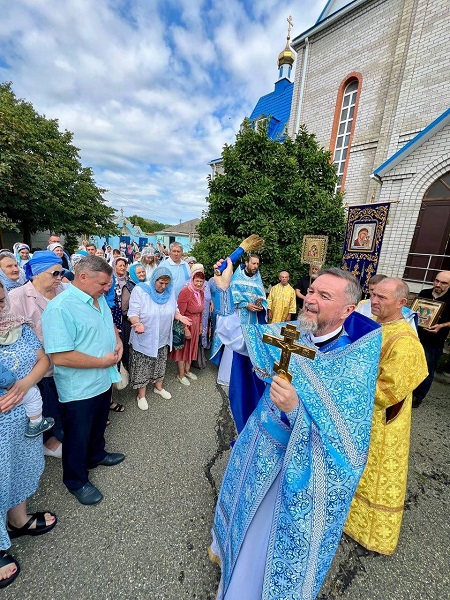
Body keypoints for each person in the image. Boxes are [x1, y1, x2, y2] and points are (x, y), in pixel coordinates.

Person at [209, 260, 382, 600]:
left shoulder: (352, 363)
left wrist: (295, 410)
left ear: (347, 310)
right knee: (243, 519)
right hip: (258, 449)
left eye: (324, 296)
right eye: (312, 291)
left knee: (265, 543)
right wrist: (225, 291)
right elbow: (239, 338)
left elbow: (348, 446)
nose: (311, 299)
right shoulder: (290, 333)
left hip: (296, 468)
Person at [345, 278, 428, 555]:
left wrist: (346, 380)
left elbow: (388, 391)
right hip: (360, 414)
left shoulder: (405, 341)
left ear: (402, 303)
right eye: (373, 295)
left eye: (382, 297)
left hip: (382, 420)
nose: (374, 301)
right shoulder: (375, 324)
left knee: (377, 471)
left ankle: (372, 532)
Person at [41, 256, 125, 506]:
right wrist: (102, 362)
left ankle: (96, 454)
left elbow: (108, 324)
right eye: (103, 283)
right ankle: (76, 480)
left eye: (109, 283)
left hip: (102, 379)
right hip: (79, 387)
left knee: (98, 424)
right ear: (83, 277)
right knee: (77, 435)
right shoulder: (60, 308)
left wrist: (118, 341)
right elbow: (61, 356)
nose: (107, 288)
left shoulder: (98, 298)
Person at [0, 281, 57, 590]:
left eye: (0, 300)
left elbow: (43, 359)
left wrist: (24, 385)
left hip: (24, 419)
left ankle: (18, 521)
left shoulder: (18, 326)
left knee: (19, 470)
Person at [9, 251, 68, 457]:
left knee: (61, 400)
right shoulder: (17, 297)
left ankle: (60, 433)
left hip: (65, 359)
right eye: (54, 273)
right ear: (36, 273)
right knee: (46, 401)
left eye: (61, 273)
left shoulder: (64, 290)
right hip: (39, 363)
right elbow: (13, 335)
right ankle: (49, 442)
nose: (59, 278)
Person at [128, 266, 192, 408]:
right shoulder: (141, 290)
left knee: (160, 363)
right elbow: (132, 312)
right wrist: (137, 323)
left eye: (166, 283)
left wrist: (179, 316)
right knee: (143, 365)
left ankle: (159, 387)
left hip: (162, 336)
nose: (163, 287)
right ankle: (141, 395)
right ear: (154, 279)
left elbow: (174, 309)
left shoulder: (169, 291)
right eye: (160, 283)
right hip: (144, 336)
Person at [412, 270, 450, 408]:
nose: (438, 285)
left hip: (434, 341)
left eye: (443, 283)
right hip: (416, 335)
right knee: (411, 364)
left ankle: (418, 396)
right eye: (436, 281)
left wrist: (442, 326)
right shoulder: (425, 293)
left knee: (427, 369)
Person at [170, 266, 205, 385]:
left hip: (196, 324)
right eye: (197, 281)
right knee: (183, 350)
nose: (199, 284)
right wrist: (185, 329)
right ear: (192, 280)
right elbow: (180, 312)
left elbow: (201, 311)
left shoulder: (201, 293)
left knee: (192, 348)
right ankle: (180, 375)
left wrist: (200, 324)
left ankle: (187, 371)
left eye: (201, 281)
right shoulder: (185, 292)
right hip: (186, 324)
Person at [121, 263, 147, 371]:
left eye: (143, 272)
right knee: (131, 350)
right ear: (133, 274)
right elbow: (124, 310)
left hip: (144, 323)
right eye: (138, 272)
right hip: (130, 324)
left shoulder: (147, 285)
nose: (142, 274)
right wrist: (135, 319)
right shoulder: (128, 287)